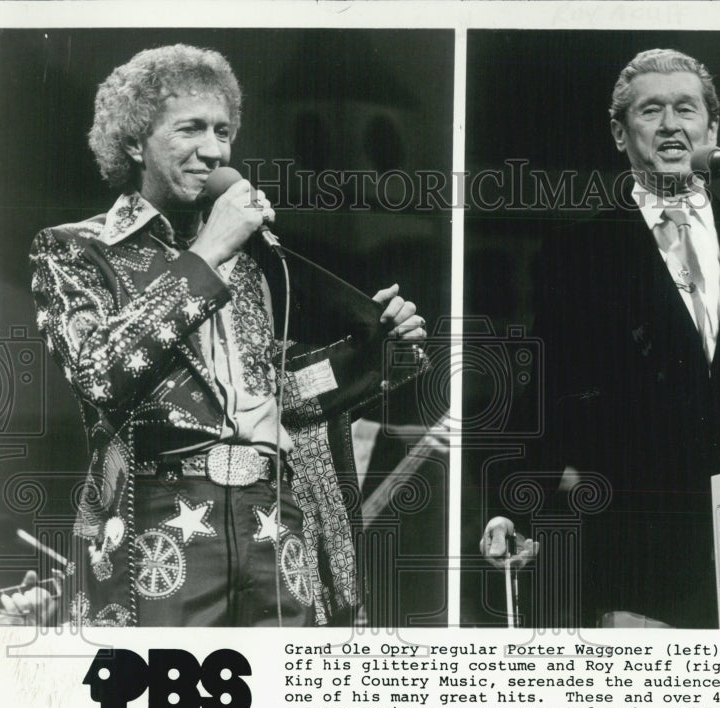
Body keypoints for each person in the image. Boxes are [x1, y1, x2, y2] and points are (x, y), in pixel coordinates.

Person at [28, 44, 426, 626]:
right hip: (162, 520)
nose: (213, 151)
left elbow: (280, 400)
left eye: (222, 131)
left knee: (285, 707)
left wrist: (375, 354)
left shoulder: (254, 261)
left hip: (275, 519)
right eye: (190, 129)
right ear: (135, 142)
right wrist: (209, 251)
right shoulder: (76, 249)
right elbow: (100, 376)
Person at [480, 48, 720, 629]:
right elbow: (546, 400)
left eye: (687, 109)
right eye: (651, 111)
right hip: (640, 569)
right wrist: (510, 506)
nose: (672, 125)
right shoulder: (580, 257)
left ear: (713, 128)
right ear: (619, 133)